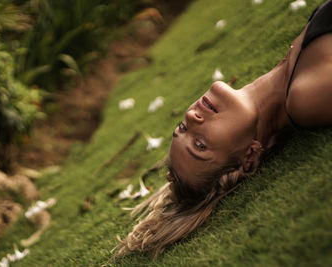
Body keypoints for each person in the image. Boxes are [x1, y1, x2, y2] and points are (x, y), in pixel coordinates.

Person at [114, 0, 332, 257]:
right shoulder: (303, 101)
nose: (191, 116)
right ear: (249, 158)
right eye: (199, 145)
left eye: (182, 127)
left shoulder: (291, 74)